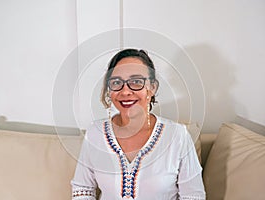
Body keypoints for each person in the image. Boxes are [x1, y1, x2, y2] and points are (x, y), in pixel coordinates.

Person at [71, 49, 206, 199]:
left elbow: (194, 196)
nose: (126, 91)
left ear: (152, 88)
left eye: (136, 82)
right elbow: (82, 189)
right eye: (116, 82)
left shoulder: (177, 136)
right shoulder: (95, 133)